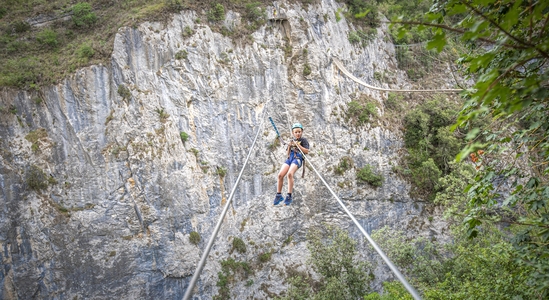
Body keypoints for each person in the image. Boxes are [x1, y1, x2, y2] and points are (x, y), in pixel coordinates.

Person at [274, 122, 310, 206]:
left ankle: (289, 196)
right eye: (296, 132)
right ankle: (278, 195)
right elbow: (287, 153)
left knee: (289, 174)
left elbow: (307, 151)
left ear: (302, 132)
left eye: (299, 132)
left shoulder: (303, 140)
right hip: (290, 158)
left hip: (298, 158)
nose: (298, 133)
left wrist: (298, 145)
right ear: (293, 133)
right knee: (280, 175)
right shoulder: (292, 141)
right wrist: (290, 145)